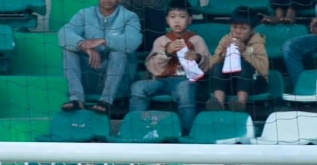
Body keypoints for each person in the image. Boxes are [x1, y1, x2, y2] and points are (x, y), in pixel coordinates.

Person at [130, 0, 210, 135]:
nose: (177, 21)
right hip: (162, 81)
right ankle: (137, 128)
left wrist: (197, 58)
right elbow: (152, 66)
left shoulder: (197, 39)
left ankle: (187, 133)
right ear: (167, 20)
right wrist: (166, 53)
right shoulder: (161, 40)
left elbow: (208, 64)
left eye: (182, 16)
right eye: (172, 17)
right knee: (138, 87)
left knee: (185, 88)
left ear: (190, 19)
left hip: (186, 81)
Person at [59, 0, 143, 114]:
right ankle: (77, 99)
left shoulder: (130, 16)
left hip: (119, 81)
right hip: (90, 73)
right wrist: (83, 46)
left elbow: (134, 41)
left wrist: (104, 41)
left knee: (119, 53)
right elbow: (64, 33)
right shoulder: (84, 14)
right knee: (69, 49)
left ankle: (106, 101)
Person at [206, 7, 269, 113]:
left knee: (244, 65)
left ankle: (240, 104)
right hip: (230, 84)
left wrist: (245, 52)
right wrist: (222, 56)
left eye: (243, 28)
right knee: (217, 67)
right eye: (234, 27)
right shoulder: (226, 40)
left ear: (252, 30)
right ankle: (218, 103)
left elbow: (264, 69)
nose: (238, 32)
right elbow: (210, 65)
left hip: (254, 84)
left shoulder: (258, 43)